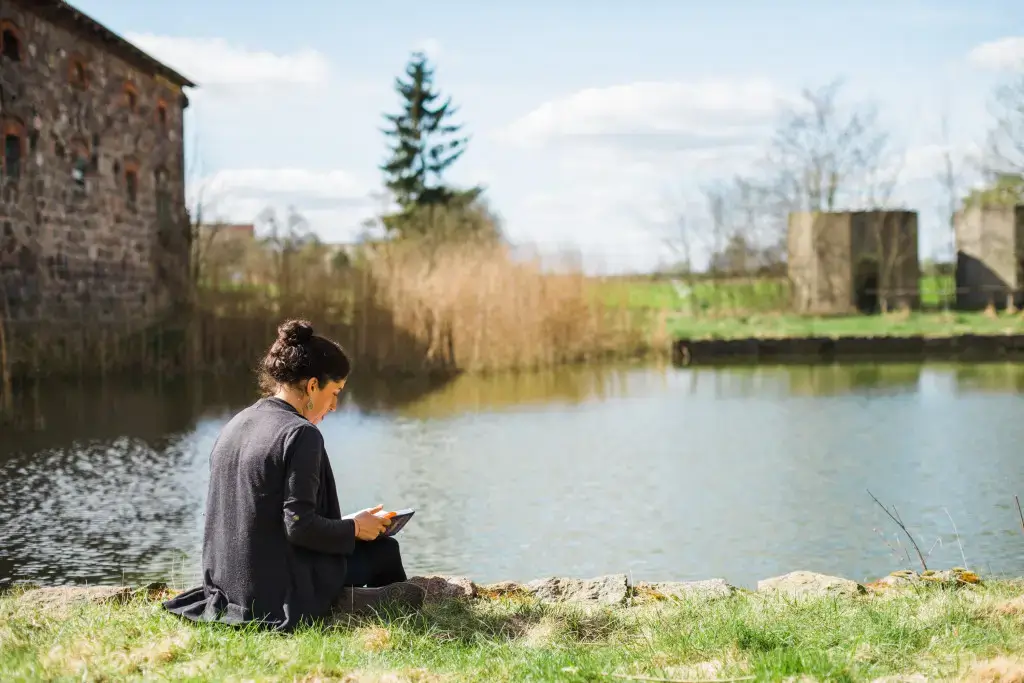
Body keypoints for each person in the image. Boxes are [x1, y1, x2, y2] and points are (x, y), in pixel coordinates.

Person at [163, 319, 424, 631]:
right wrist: (354, 528)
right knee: (383, 551)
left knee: (361, 546)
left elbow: (268, 517)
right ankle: (400, 624)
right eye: (335, 392)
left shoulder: (236, 423)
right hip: (272, 594)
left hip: (225, 588)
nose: (335, 405)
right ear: (313, 386)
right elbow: (299, 528)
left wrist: (350, 525)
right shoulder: (300, 434)